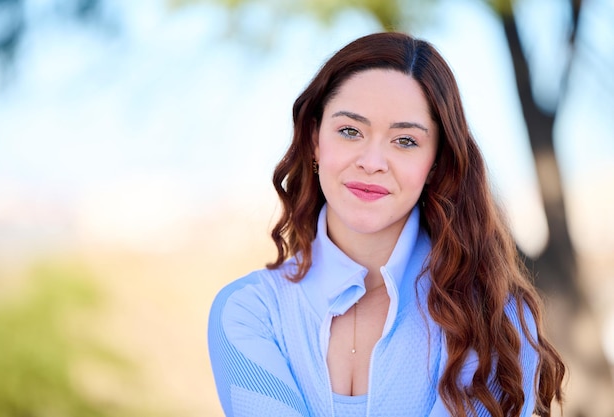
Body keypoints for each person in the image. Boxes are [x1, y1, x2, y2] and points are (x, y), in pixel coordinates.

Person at [208, 32, 565, 417]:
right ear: (314, 138)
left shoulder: (495, 319)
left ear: (435, 162)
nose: (372, 161)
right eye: (350, 131)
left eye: (405, 141)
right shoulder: (248, 310)